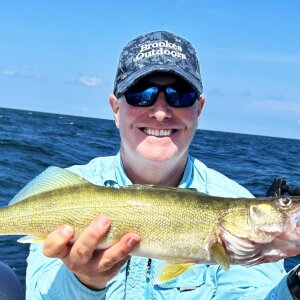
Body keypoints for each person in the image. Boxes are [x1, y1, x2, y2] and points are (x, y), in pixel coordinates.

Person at [25, 30, 299, 299]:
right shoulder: (69, 189)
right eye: (141, 93)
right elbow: (39, 292)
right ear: (116, 109)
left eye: (180, 95)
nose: (160, 111)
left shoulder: (233, 197)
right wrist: (85, 282)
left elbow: (254, 293)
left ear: (199, 110)